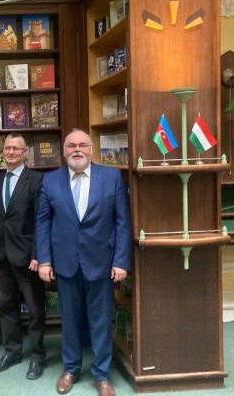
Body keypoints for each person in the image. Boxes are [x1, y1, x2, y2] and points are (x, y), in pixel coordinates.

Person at [35, 129, 132, 396]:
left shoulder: (112, 177)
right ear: (64, 151)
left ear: (91, 149)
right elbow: (42, 223)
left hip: (102, 262)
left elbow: (123, 222)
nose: (77, 150)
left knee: (101, 320)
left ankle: (102, 375)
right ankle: (71, 369)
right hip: (65, 262)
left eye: (82, 145)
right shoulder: (50, 180)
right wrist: (44, 260)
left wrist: (121, 261)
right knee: (69, 320)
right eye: (71, 146)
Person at [0, 133, 46, 380]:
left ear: (24, 152)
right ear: (3, 152)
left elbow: (41, 219)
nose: (11, 152)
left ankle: (37, 355)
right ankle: (12, 351)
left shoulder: (37, 180)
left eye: (16, 148)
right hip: (1, 255)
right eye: (7, 148)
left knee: (34, 307)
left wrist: (38, 254)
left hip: (28, 257)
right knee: (6, 305)